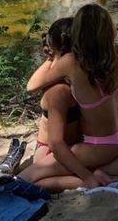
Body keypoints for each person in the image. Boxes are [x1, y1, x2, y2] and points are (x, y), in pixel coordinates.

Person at [20, 0, 118, 191]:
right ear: (109, 31)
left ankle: (92, 179)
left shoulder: (71, 63)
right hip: (117, 136)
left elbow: (32, 86)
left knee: (27, 177)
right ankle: (101, 172)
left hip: (97, 146)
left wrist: (52, 57)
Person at [32, 18, 81, 163]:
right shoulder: (57, 85)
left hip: (74, 146)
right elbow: (31, 86)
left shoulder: (78, 70)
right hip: (50, 150)